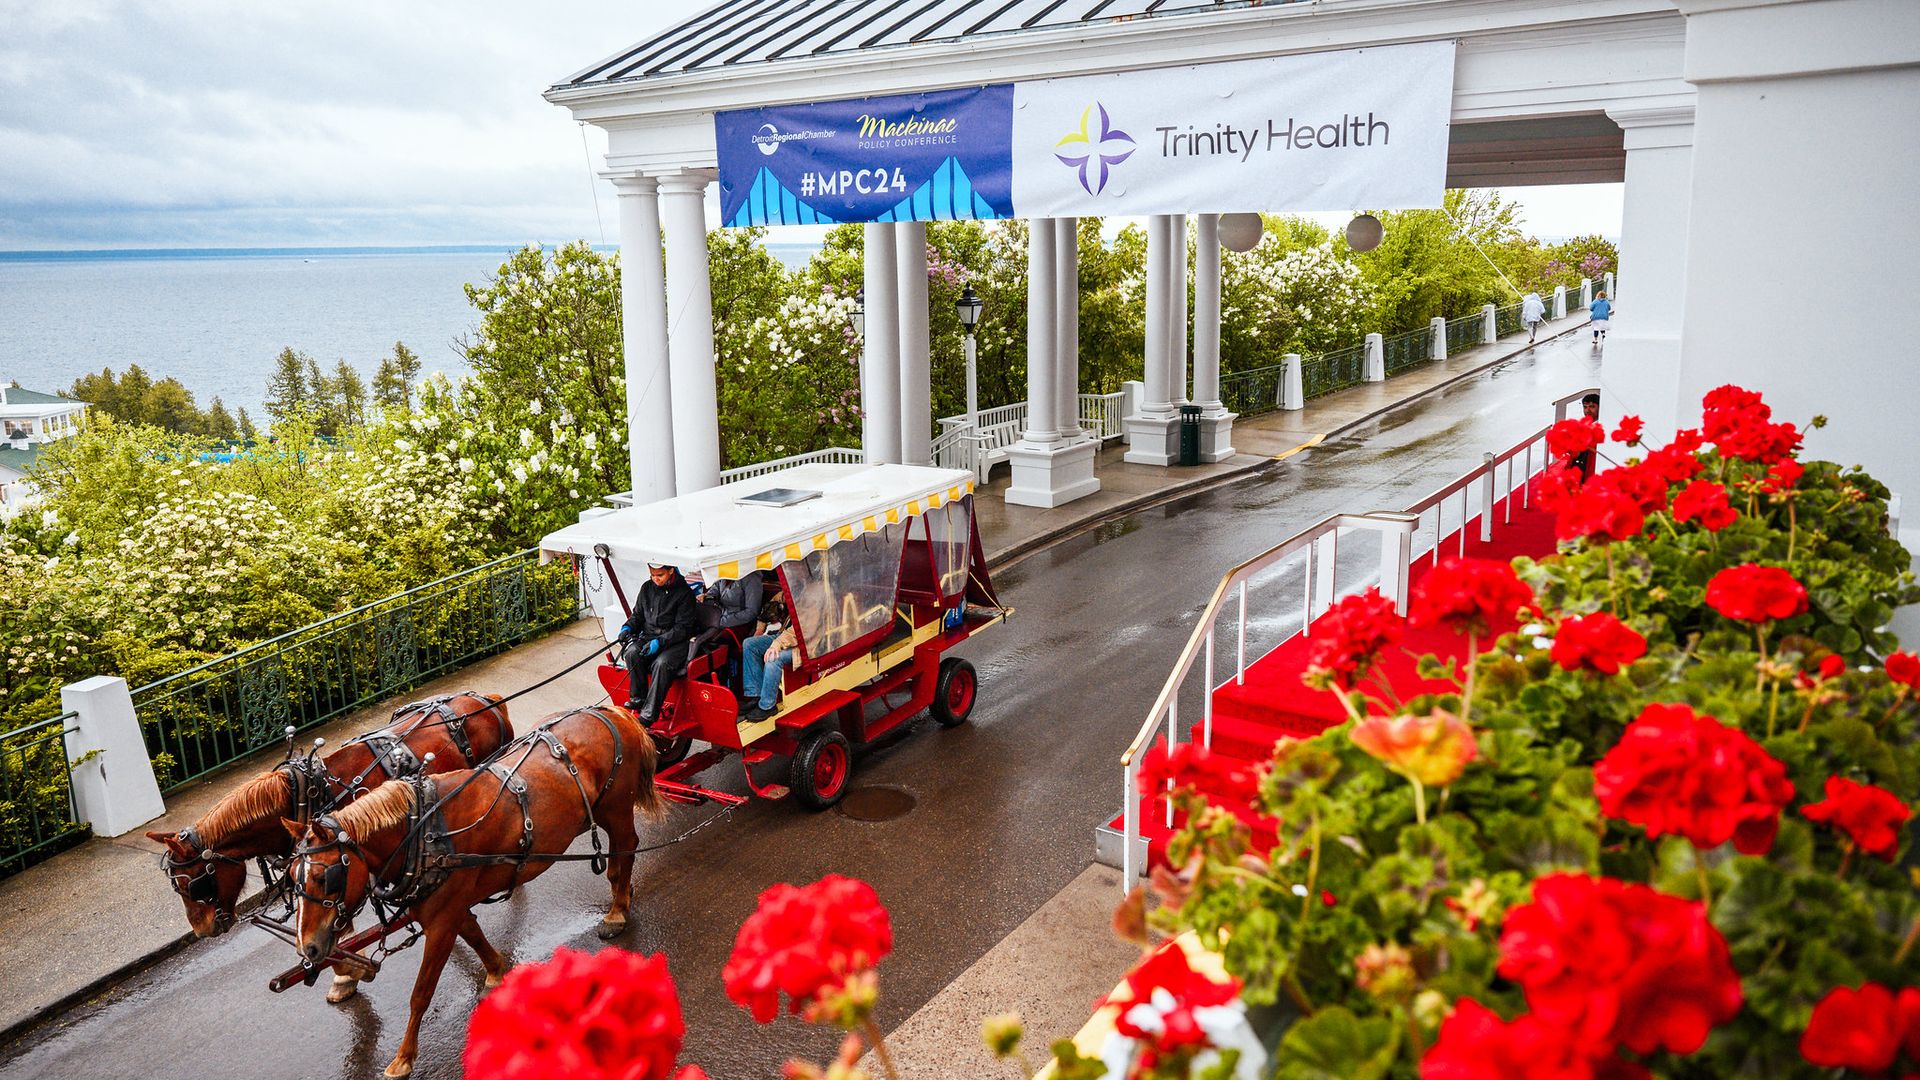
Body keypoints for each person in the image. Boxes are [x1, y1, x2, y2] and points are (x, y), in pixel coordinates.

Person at [618, 563, 699, 724]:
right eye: (652, 575)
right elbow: (638, 616)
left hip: (677, 642)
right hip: (649, 637)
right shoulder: (647, 588)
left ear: (671, 571)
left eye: (660, 575)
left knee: (661, 663)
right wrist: (627, 627)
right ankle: (638, 698)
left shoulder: (684, 594)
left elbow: (683, 628)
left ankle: (649, 714)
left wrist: (659, 642)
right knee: (632, 652)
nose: (655, 579)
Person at [686, 572, 763, 675]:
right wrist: (706, 596)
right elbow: (714, 591)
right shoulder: (723, 573)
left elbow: (751, 612)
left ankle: (721, 674)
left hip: (740, 624)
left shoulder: (751, 577)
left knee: (713, 638)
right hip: (719, 617)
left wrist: (722, 621)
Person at [740, 597, 799, 722]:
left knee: (773, 658)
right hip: (784, 635)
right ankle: (755, 694)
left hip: (802, 645)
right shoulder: (788, 591)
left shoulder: (815, 595)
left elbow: (799, 631)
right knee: (750, 644)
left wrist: (776, 645)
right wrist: (759, 629)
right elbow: (768, 608)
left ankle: (767, 705)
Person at [1569, 392, 1601, 480]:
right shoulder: (1583, 425)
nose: (1587, 410)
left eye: (1592, 407)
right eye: (1585, 407)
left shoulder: (1601, 427)